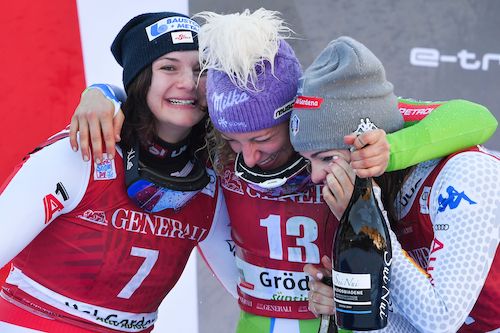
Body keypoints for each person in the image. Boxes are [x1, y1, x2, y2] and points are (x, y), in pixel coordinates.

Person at [68, 9, 497, 333]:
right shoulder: (222, 142)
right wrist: (102, 93)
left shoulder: (338, 118)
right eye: (235, 143)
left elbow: (475, 118)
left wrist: (389, 153)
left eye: (262, 140)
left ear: (292, 115)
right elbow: (163, 106)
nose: (248, 157)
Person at [0, 12, 237, 333]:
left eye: (200, 70)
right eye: (168, 67)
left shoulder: (209, 183)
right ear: (140, 78)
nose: (188, 82)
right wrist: (102, 91)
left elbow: (253, 290)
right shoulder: (81, 152)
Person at [290, 36, 499, 333]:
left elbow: (439, 319)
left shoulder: (465, 174)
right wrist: (355, 303)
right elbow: (409, 328)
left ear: (368, 142)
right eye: (308, 161)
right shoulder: (378, 189)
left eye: (325, 157)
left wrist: (367, 225)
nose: (315, 176)